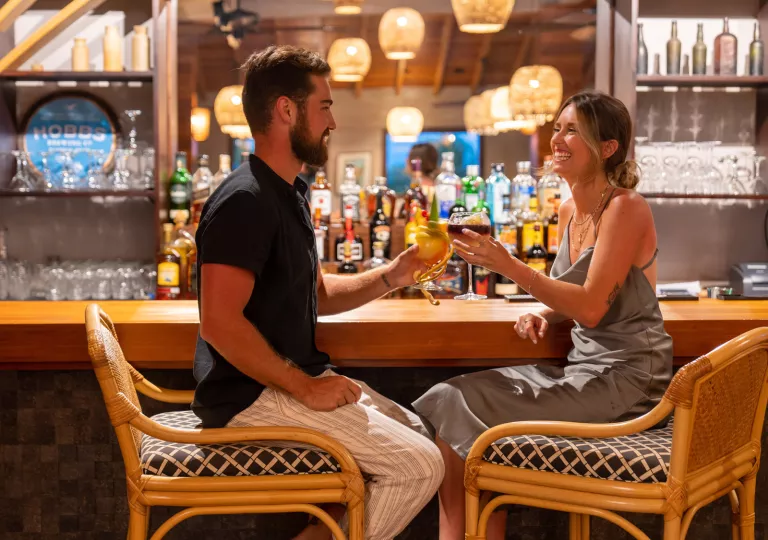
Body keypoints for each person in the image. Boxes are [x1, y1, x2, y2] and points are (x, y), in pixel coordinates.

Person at [192, 45, 444, 540]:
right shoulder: (245, 200)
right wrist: (305, 386)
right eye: (324, 106)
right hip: (250, 396)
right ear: (287, 110)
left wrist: (393, 275)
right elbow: (219, 323)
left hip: (284, 383)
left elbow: (318, 296)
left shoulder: (288, 192)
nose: (333, 121)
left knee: (419, 432)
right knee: (419, 465)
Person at [413, 90, 673, 540]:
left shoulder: (626, 207)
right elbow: (579, 292)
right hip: (584, 371)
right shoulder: (569, 209)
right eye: (557, 128)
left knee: (458, 400)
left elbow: (591, 306)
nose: (557, 139)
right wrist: (546, 314)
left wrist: (510, 267)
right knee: (449, 398)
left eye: (573, 131)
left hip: (628, 379)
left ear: (607, 148)